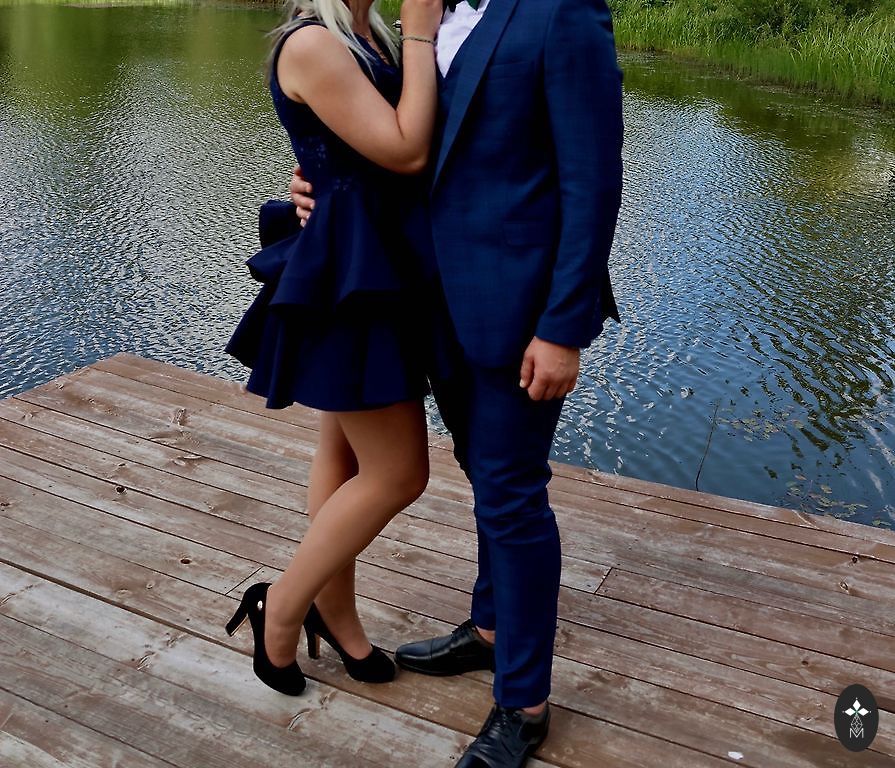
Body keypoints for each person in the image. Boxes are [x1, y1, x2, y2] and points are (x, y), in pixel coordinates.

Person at [290, 0, 624, 764]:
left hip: (519, 313)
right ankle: (490, 628)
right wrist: (310, 186)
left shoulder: (563, 12)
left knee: (511, 494)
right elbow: (393, 140)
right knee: (483, 473)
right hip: (430, 302)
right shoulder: (422, 15)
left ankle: (523, 703)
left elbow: (594, 180)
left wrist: (562, 328)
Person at [223, 0, 443, 697]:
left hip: (377, 265)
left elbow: (356, 148)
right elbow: (406, 150)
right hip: (349, 277)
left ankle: (336, 612)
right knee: (399, 473)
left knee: (342, 453)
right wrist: (422, 33)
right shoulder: (314, 42)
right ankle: (283, 606)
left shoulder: (367, 33)